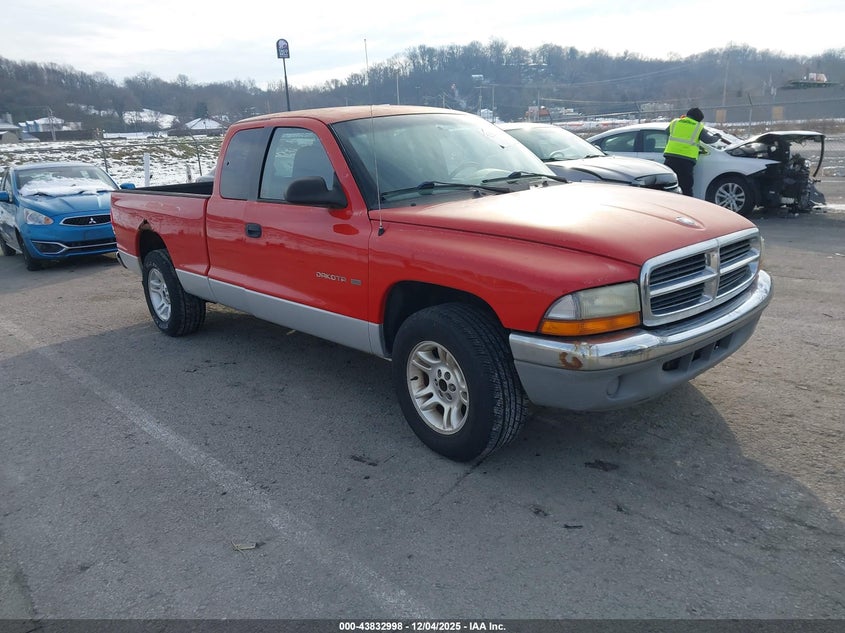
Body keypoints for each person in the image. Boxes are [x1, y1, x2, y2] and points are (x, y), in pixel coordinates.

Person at [662, 107, 721, 196]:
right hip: (686, 160)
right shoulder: (698, 126)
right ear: (699, 119)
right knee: (686, 186)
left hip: (670, 157)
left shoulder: (675, 122)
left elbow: (667, 132)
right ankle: (687, 206)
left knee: (668, 184)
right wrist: (717, 137)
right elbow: (708, 140)